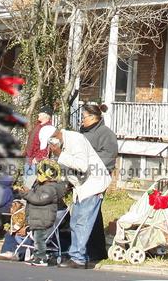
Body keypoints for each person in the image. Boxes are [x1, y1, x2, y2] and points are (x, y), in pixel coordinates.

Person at [41, 125, 111, 269]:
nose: (50, 146)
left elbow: (82, 166)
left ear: (56, 136)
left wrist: (60, 154)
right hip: (81, 187)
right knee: (74, 222)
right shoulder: (62, 147)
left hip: (93, 184)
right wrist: (65, 183)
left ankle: (78, 258)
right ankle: (80, 255)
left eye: (50, 143)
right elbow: (69, 169)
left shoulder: (76, 139)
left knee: (82, 223)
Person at [79, 102, 117, 263]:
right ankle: (89, 248)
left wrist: (89, 165)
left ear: (94, 117)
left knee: (90, 213)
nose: (81, 120)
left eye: (84, 117)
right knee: (86, 214)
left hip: (97, 178)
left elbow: (108, 157)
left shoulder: (106, 134)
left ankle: (94, 251)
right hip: (81, 178)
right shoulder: (81, 133)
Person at [21, 158, 69, 267]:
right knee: (37, 240)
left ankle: (41, 258)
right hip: (38, 219)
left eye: (39, 173)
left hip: (43, 220)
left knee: (39, 240)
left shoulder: (50, 189)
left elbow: (40, 199)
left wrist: (27, 194)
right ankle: (37, 256)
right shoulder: (42, 186)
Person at [23, 112, 52, 188]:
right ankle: (25, 196)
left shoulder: (47, 128)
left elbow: (45, 146)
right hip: (29, 156)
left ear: (45, 116)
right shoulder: (38, 125)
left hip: (36, 158)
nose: (38, 114)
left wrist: (38, 158)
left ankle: (29, 196)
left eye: (40, 113)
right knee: (26, 180)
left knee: (31, 182)